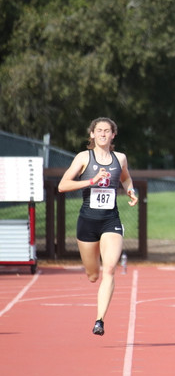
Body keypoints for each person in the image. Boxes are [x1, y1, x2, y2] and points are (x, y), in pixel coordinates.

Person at [58, 117, 139, 336]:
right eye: (99, 131)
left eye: (107, 131)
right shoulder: (84, 157)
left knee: (110, 268)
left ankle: (99, 320)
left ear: (113, 135)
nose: (103, 134)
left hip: (110, 220)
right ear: (92, 134)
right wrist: (91, 181)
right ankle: (92, 273)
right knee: (93, 274)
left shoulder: (119, 158)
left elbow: (126, 178)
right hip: (87, 222)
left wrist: (131, 191)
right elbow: (63, 185)